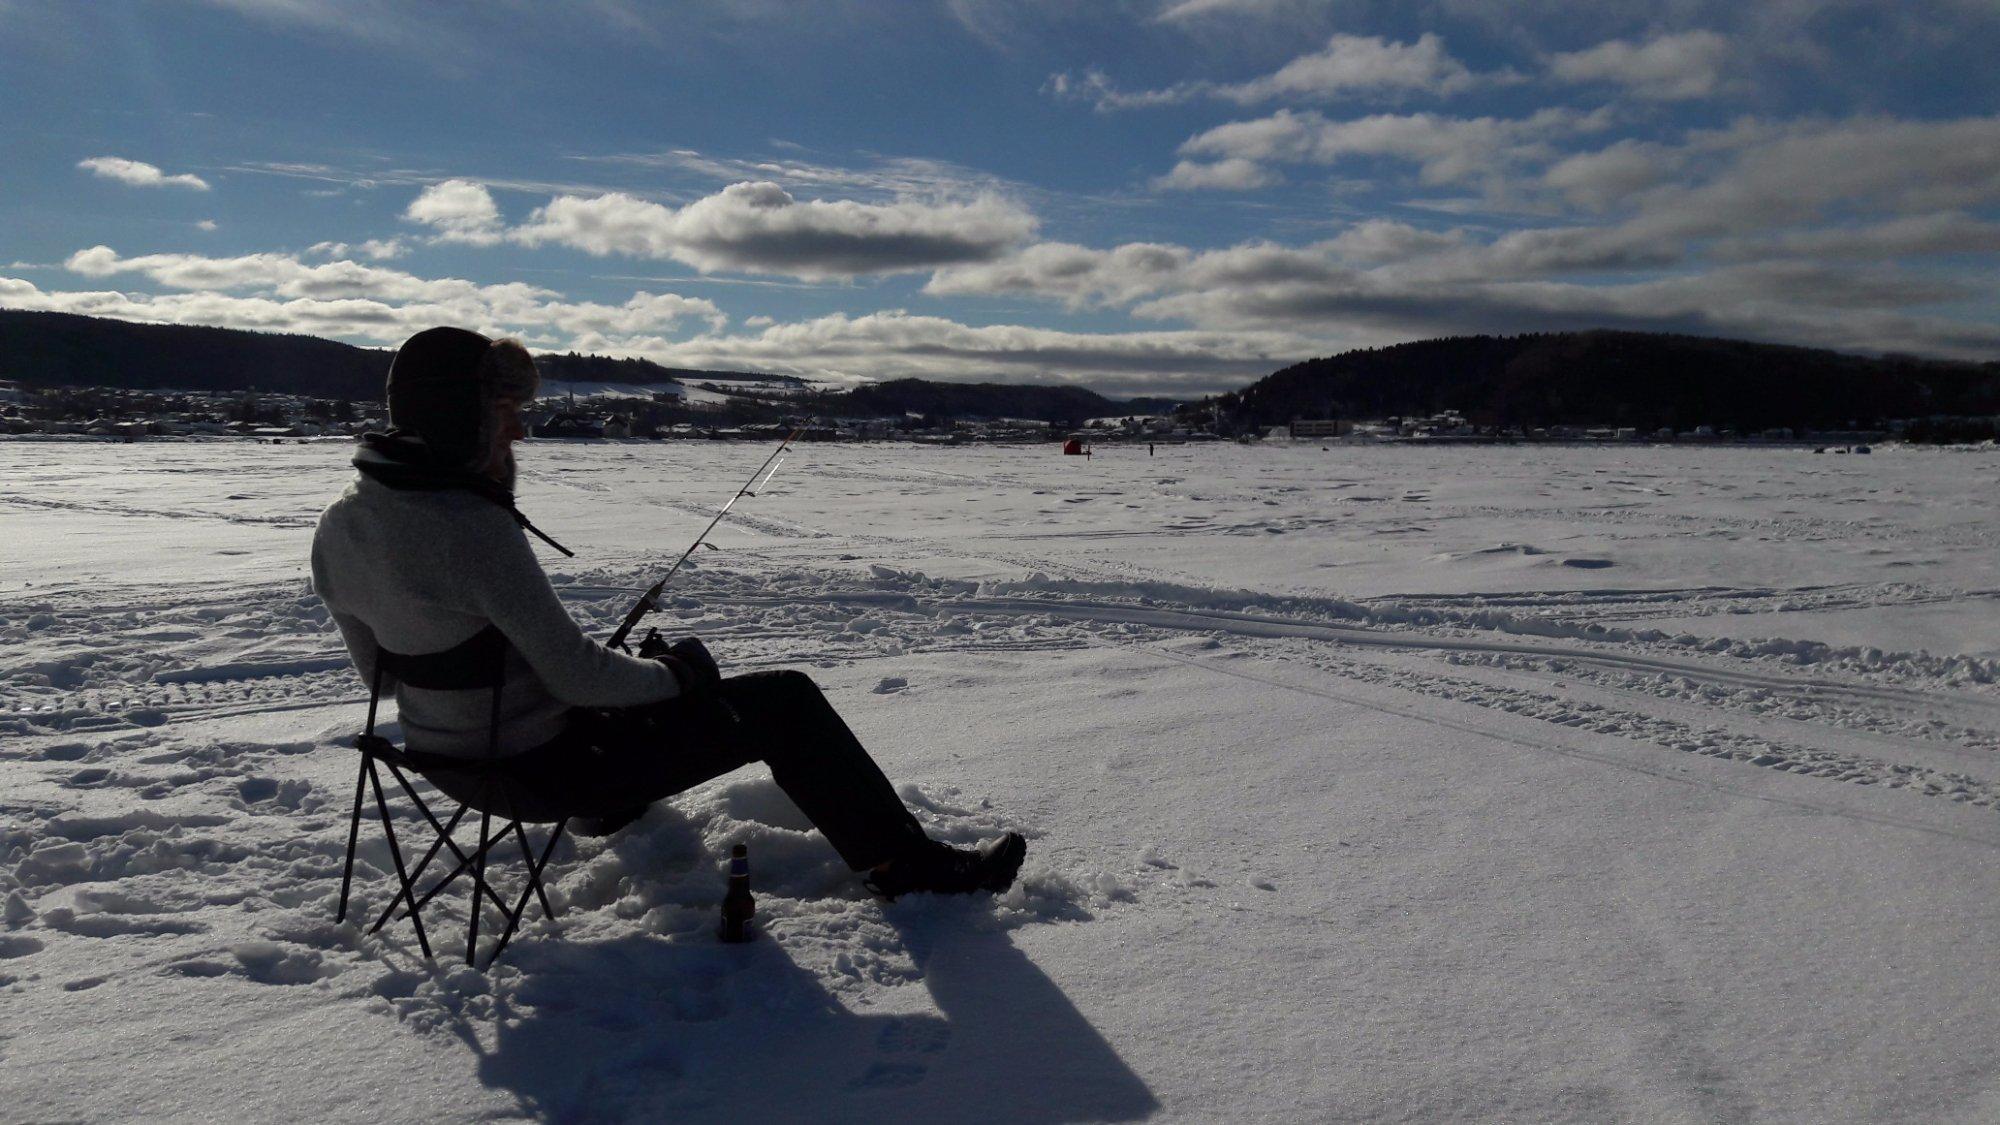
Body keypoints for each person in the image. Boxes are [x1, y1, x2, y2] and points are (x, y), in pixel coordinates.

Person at [310, 327, 1025, 899]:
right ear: (458, 417)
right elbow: (581, 679)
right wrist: (677, 675)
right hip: (544, 775)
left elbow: (380, 678)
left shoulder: (339, 524)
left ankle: (611, 808)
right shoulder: (471, 528)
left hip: (447, 770)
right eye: (505, 416)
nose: (518, 436)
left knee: (638, 678)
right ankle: (907, 869)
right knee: (785, 701)